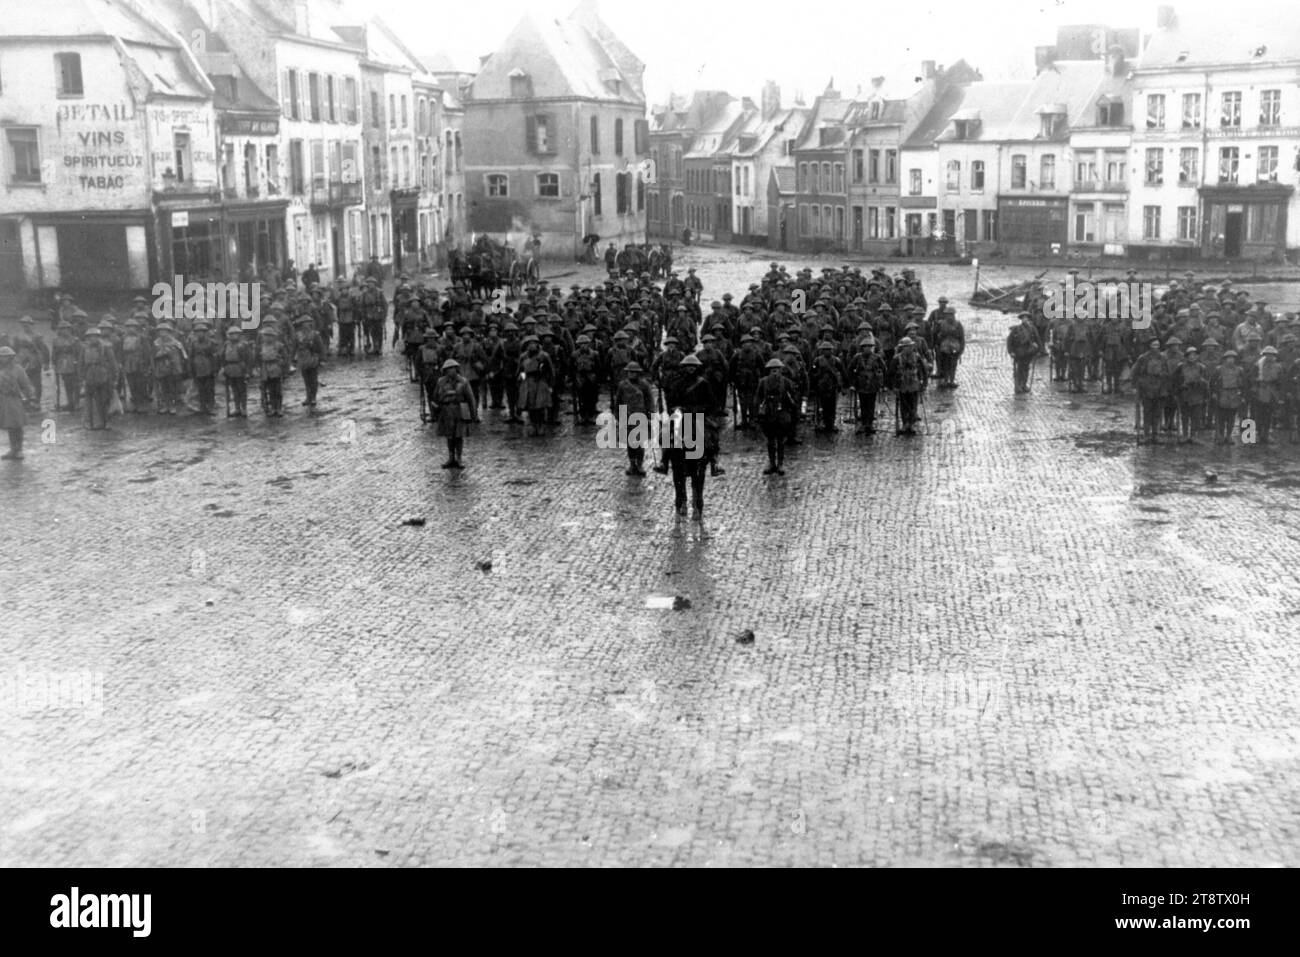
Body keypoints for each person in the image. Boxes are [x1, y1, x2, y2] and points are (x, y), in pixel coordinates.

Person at [665, 353, 710, 520]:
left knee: (711, 437)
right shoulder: (676, 384)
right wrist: (677, 409)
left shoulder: (703, 384)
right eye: (687, 366)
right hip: (681, 418)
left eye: (693, 366)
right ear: (683, 367)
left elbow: (711, 403)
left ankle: (714, 461)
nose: (690, 369)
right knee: (667, 436)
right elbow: (670, 402)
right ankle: (664, 461)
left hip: (697, 418)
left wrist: (698, 410)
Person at [432, 358, 477, 468]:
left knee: (459, 435)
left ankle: (459, 458)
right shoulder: (440, 382)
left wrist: (473, 414)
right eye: (448, 369)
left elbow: (471, 399)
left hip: (459, 410)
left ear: (456, 369)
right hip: (446, 410)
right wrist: (435, 412)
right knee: (449, 436)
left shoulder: (463, 381)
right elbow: (435, 398)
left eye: (453, 368)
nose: (450, 371)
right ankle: (451, 457)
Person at [755, 357, 796, 474]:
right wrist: (758, 412)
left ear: (781, 370)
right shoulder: (763, 382)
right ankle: (772, 463)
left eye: (777, 370)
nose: (775, 373)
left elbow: (793, 398)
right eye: (773, 370)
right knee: (770, 440)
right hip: (768, 414)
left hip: (782, 413)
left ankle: (781, 464)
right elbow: (758, 397)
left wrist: (792, 413)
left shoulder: (786, 382)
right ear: (769, 371)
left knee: (781, 441)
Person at [614, 361, 654, 476]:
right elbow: (619, 401)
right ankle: (632, 464)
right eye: (629, 372)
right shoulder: (623, 385)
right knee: (630, 443)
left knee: (640, 443)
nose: (631, 374)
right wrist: (618, 416)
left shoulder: (644, 385)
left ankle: (640, 465)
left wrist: (650, 414)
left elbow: (649, 400)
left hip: (641, 415)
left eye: (633, 372)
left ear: (638, 373)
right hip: (627, 416)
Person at [1131, 337, 1171, 444]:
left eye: (1157, 345)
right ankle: (1146, 435)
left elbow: (1168, 373)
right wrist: (1135, 387)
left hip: (1159, 388)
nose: (1156, 347)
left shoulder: (1163, 358)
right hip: (1146, 388)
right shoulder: (1143, 358)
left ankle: (1156, 435)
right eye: (1153, 345)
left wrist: (1161, 376)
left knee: (1157, 413)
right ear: (1149, 346)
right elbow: (1135, 373)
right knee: (1147, 412)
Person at [79, 325, 119, 430]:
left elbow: (113, 363)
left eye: (95, 336)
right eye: (90, 337)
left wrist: (114, 378)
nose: (92, 339)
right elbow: (81, 364)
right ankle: (96, 422)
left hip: (104, 375)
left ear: (99, 337)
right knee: (92, 402)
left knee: (105, 399)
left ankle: (108, 421)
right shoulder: (84, 349)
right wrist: (82, 378)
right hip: (89, 376)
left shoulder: (106, 347)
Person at [888, 336, 929, 435]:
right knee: (903, 405)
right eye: (905, 347)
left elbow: (924, 370)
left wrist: (924, 383)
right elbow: (890, 373)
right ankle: (905, 423)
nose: (908, 349)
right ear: (902, 348)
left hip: (914, 384)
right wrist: (892, 386)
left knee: (913, 405)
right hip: (902, 384)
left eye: (909, 346)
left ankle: (911, 424)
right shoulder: (897, 358)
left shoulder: (917, 357)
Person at [0, 346, 34, 459]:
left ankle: (19, 449)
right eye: (1, 356)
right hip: (3, 400)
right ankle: (12, 449)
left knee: (17, 425)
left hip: (15, 400)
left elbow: (26, 384)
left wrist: (29, 397)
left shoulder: (17, 369)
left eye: (5, 357)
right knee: (9, 426)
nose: (2, 359)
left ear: (11, 357)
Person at [846, 335, 885, 432]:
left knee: (871, 404)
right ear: (862, 348)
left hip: (872, 383)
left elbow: (884, 369)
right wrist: (852, 383)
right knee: (863, 404)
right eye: (865, 346)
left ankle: (870, 424)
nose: (867, 348)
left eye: (870, 346)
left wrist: (882, 383)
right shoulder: (857, 357)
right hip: (861, 383)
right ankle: (864, 423)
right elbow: (850, 369)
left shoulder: (877, 358)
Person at [189, 322, 221, 416]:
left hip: (209, 367)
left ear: (205, 332)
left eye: (201, 332)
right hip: (197, 368)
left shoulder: (211, 343)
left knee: (210, 389)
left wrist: (215, 369)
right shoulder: (193, 343)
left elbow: (216, 356)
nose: (199, 334)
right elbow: (191, 357)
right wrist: (191, 369)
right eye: (197, 332)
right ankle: (202, 407)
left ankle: (211, 406)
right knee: (200, 389)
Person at [294, 315, 325, 408]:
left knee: (313, 379)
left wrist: (322, 359)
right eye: (304, 323)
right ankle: (308, 397)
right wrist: (292, 359)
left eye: (307, 323)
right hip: (303, 359)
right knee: (306, 379)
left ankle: (313, 397)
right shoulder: (298, 335)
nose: (306, 325)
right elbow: (294, 347)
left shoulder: (315, 334)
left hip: (313, 358)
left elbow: (321, 347)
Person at [221, 327, 254, 417]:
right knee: (234, 389)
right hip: (230, 369)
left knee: (242, 390)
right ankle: (237, 408)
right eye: (231, 334)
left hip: (240, 369)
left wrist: (248, 372)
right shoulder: (226, 345)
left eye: (235, 334)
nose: (233, 336)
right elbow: (222, 357)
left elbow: (249, 359)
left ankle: (244, 408)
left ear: (239, 335)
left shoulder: (243, 345)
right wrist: (223, 368)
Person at [1006, 312, 1040, 394]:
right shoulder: (1016, 329)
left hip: (1029, 352)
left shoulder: (1032, 328)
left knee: (1026, 368)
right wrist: (1011, 352)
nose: (1025, 319)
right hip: (1019, 352)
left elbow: (1037, 339)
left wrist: (1039, 350)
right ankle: (1018, 386)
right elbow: (1009, 341)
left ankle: (1024, 384)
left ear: (1028, 319)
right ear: (1021, 320)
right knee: (1019, 369)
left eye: (1026, 318)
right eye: (1023, 318)